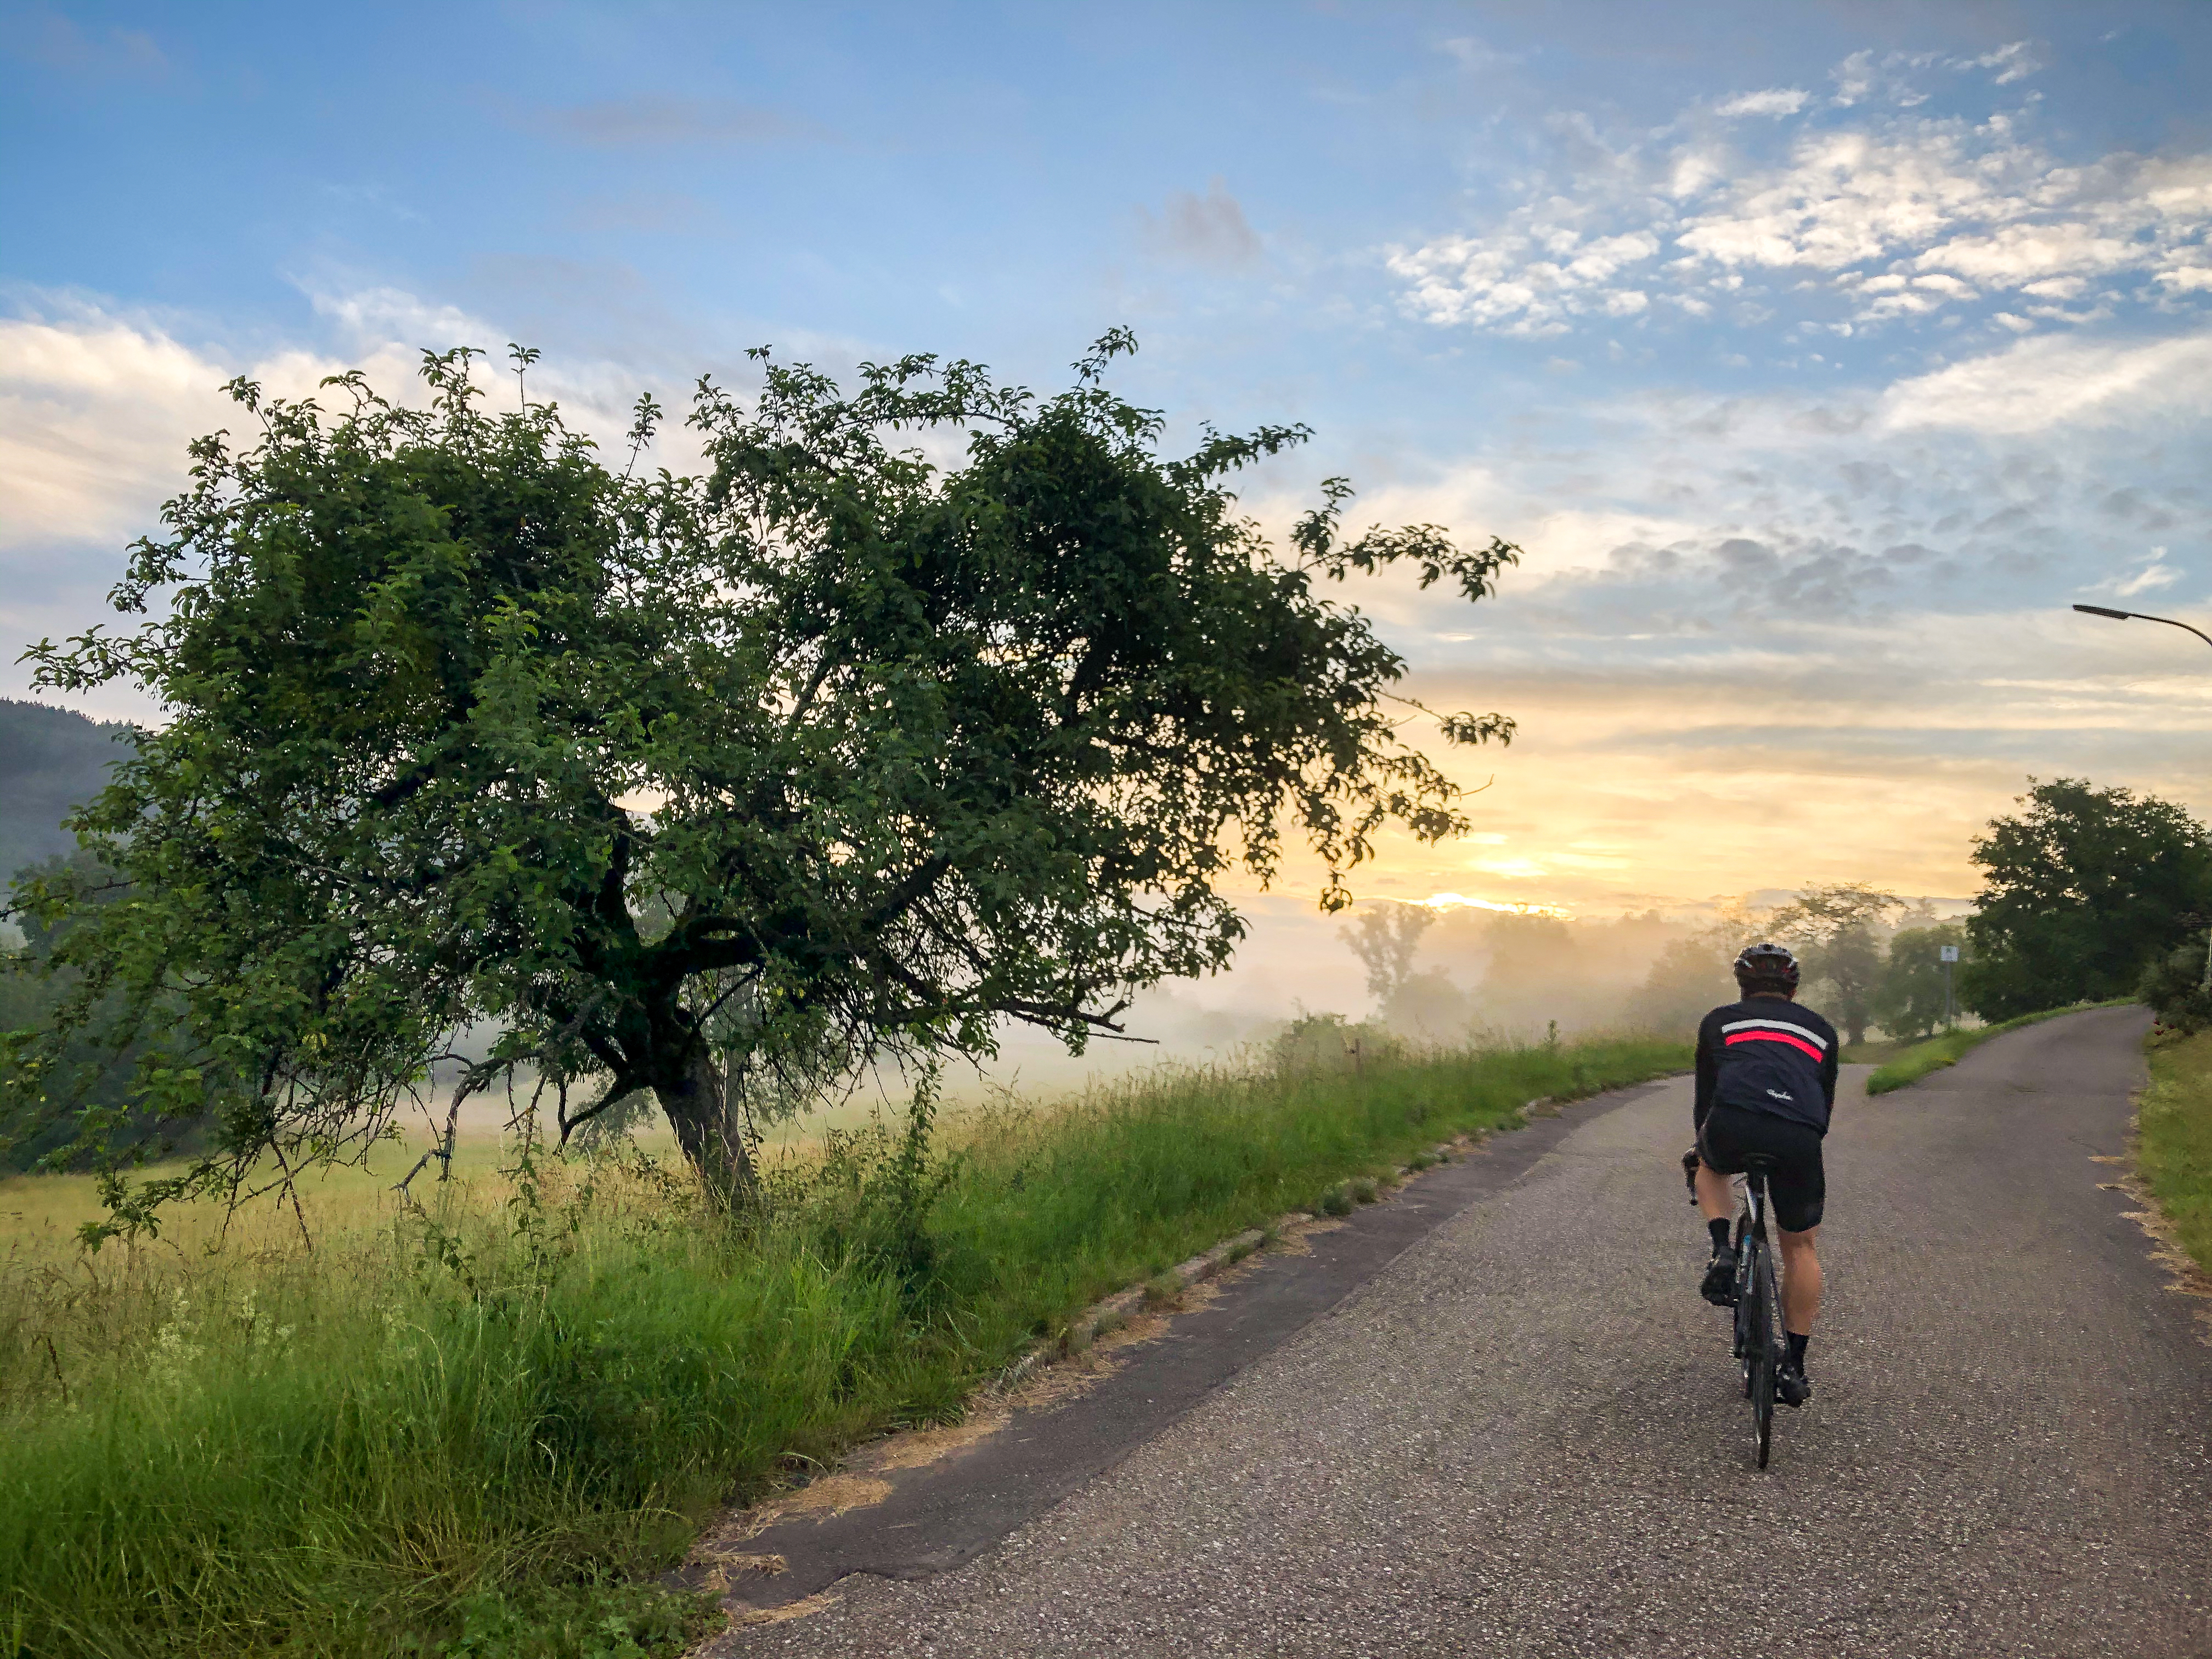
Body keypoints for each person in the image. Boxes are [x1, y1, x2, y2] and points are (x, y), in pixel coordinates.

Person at [1689, 941, 1838, 1407]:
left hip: (1734, 1122)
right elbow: (1824, 1103)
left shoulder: (1720, 1021)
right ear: (1793, 988)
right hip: (1799, 1134)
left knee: (1705, 1165)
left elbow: (1706, 1098)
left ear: (1742, 984)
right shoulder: (1822, 1030)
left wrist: (1703, 1142)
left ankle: (1722, 1253)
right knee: (1801, 1247)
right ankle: (1794, 1365)